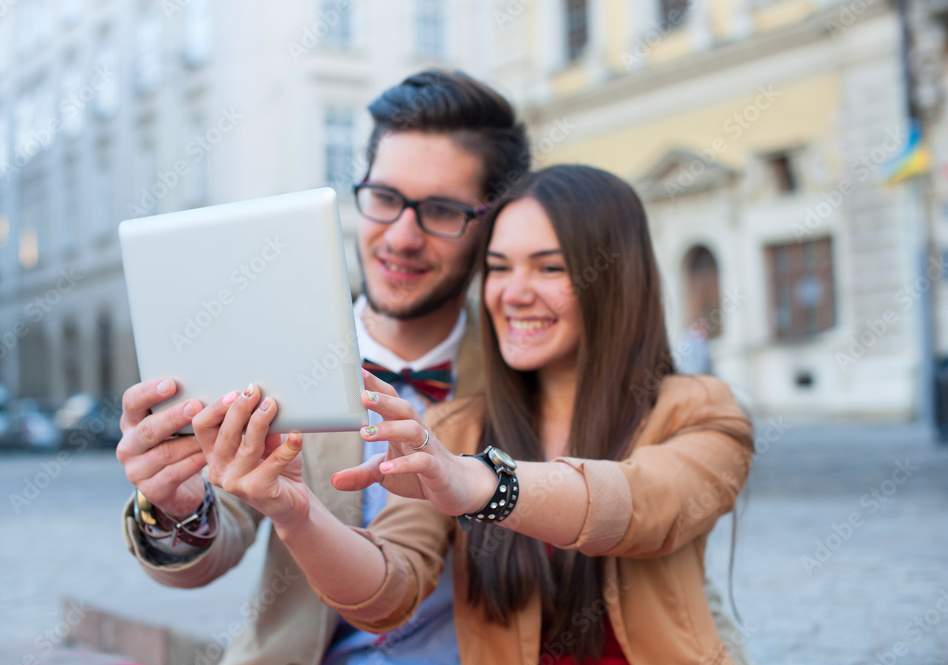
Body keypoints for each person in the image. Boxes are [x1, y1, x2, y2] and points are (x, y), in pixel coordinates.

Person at [188, 164, 755, 665]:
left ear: (615, 279)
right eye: (500, 268)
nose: (513, 293)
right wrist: (295, 514)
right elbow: (389, 591)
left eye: (550, 268)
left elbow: (643, 506)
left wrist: (480, 484)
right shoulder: (454, 426)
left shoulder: (699, 408)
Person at [117, 69, 529, 665]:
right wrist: (179, 509)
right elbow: (212, 547)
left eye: (440, 210)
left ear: (489, 224)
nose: (401, 237)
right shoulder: (272, 341)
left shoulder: (523, 365)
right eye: (384, 199)